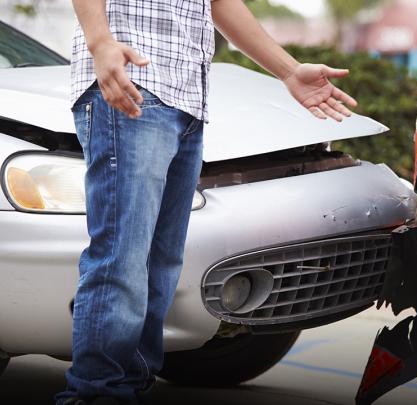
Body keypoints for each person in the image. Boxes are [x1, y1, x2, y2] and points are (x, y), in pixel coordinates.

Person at [56, 1, 357, 404]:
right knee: (121, 259)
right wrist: (100, 42)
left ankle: (126, 387)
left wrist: (288, 71)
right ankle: (95, 394)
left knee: (160, 266)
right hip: (131, 83)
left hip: (186, 102)